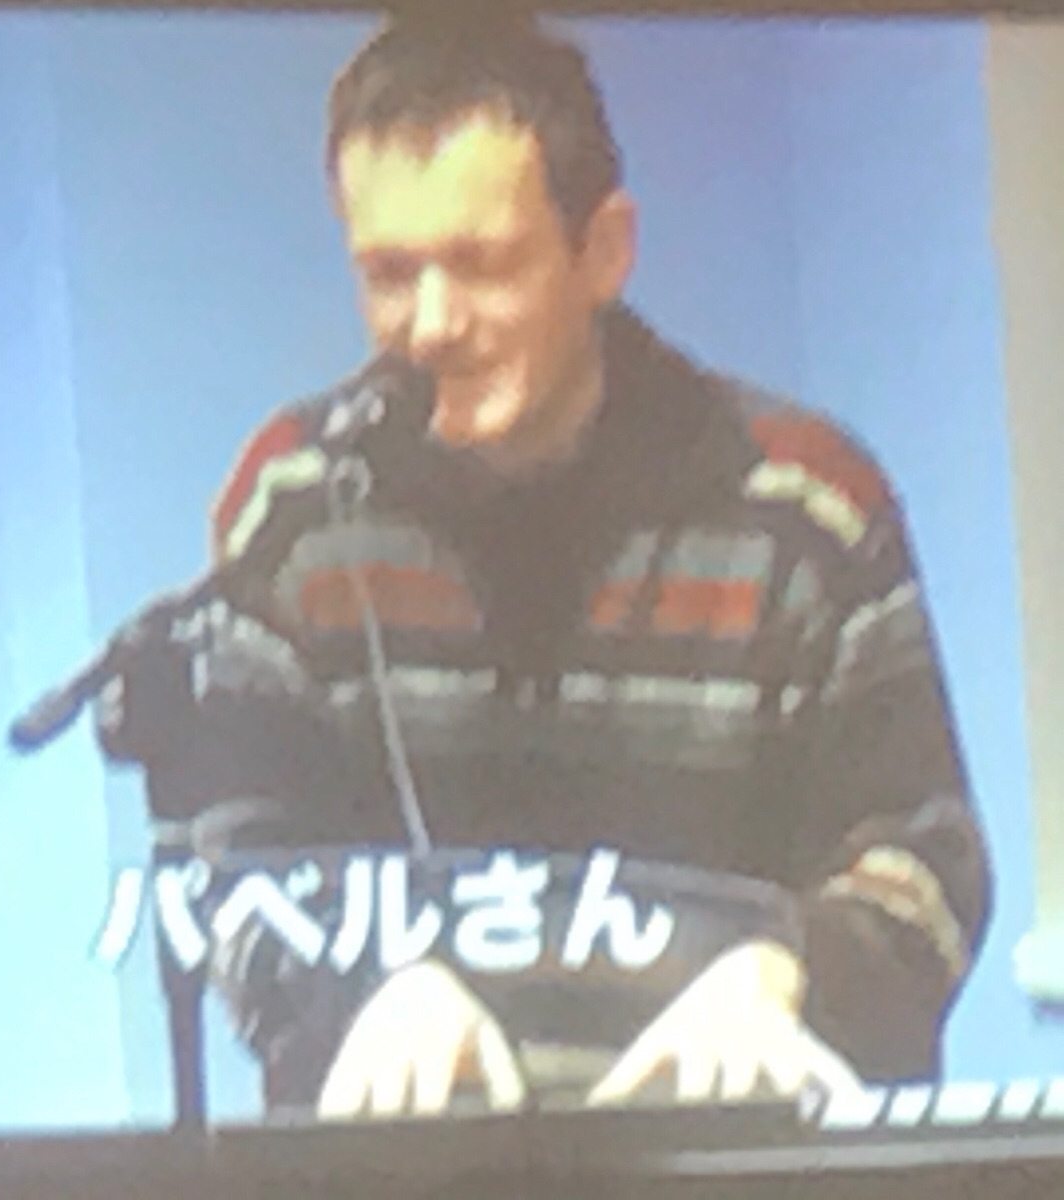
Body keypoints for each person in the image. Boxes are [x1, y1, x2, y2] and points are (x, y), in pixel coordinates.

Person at [93, 10, 992, 1122]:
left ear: (603, 250)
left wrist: (792, 977)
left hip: (741, 1161)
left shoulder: (806, 502)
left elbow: (926, 863)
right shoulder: (293, 505)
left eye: (481, 266)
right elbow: (236, 873)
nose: (430, 324)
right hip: (402, 1171)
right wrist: (362, 990)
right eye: (388, 273)